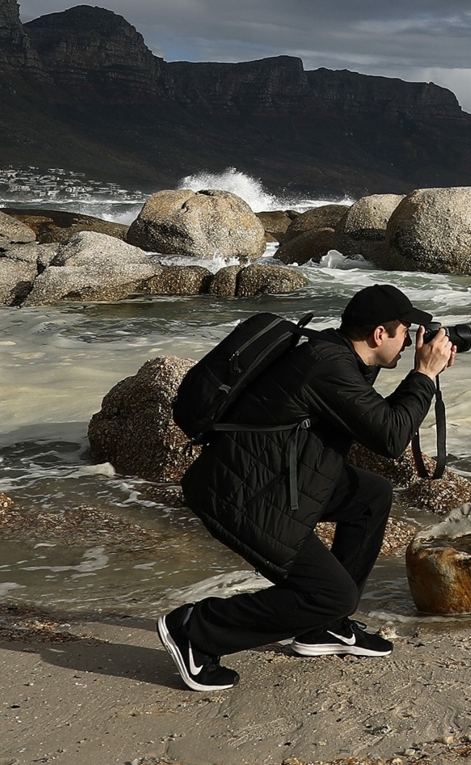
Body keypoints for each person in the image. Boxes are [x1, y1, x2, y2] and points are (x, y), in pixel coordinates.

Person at [158, 284, 455, 691]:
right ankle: (196, 630)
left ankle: (323, 629)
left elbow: (375, 418)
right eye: (406, 331)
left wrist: (420, 374)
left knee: (370, 495)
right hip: (245, 495)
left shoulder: (335, 353)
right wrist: (423, 375)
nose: (412, 341)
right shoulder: (327, 365)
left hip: (278, 475)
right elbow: (389, 438)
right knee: (332, 593)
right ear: (379, 335)